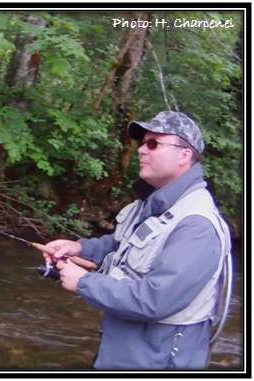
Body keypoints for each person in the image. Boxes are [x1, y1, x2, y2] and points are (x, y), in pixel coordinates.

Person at [43, 111, 232, 369]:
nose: (142, 150)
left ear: (184, 156)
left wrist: (83, 282)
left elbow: (155, 300)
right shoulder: (151, 203)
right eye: (143, 142)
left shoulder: (197, 226)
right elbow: (121, 246)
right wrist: (79, 248)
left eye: (154, 143)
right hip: (121, 353)